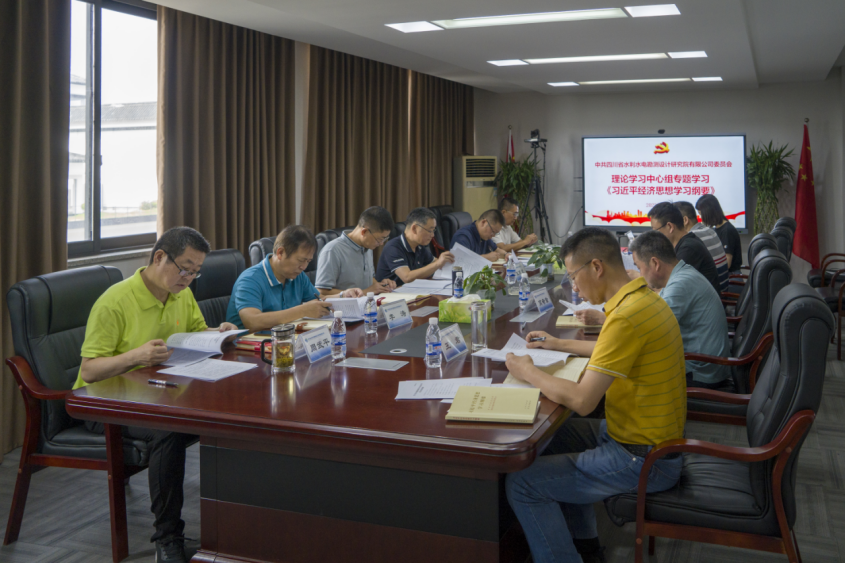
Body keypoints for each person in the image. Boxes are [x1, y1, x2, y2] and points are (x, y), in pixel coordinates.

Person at [504, 227, 685, 563]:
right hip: (645, 439)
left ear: (597, 267)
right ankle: (587, 548)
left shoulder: (626, 317)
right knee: (552, 437)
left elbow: (583, 401)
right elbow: (611, 349)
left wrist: (526, 371)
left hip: (644, 459)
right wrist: (557, 344)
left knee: (522, 484)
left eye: (574, 275)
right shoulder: (641, 300)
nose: (574, 286)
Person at [74, 227, 240, 563]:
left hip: (158, 393)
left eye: (195, 272)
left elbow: (195, 334)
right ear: (159, 257)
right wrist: (136, 356)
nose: (188, 279)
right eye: (185, 269)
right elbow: (89, 371)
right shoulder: (115, 302)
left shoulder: (180, 293)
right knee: (169, 430)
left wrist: (219, 332)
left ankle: (236, 526)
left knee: (228, 417)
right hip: (106, 402)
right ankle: (167, 540)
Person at [630, 231, 731, 388]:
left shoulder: (681, 284)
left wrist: (608, 319)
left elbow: (649, 329)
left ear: (655, 263)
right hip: (704, 364)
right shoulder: (682, 273)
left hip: (701, 373)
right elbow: (658, 302)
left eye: (639, 268)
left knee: (629, 373)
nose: (640, 274)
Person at [227, 225, 360, 331]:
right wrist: (302, 311)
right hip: (246, 349)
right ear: (280, 253)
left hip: (283, 340)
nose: (304, 267)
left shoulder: (297, 276)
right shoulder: (250, 279)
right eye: (301, 260)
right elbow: (252, 322)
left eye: (308, 261)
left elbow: (318, 299)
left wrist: (343, 295)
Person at [315, 206, 398, 297]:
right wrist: (366, 291)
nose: (381, 243)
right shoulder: (332, 250)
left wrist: (381, 286)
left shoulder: (367, 247)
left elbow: (369, 278)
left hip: (368, 303)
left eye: (384, 239)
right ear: (364, 232)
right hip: (345, 305)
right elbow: (321, 292)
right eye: (379, 239)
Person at [648, 202, 721, 296]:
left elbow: (670, 287)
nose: (655, 235)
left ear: (670, 227)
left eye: (655, 230)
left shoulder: (689, 248)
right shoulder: (685, 243)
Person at [375, 207, 455, 286]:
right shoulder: (393, 247)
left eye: (433, 230)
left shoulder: (418, 246)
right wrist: (438, 264)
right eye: (430, 230)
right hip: (391, 292)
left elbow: (435, 262)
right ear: (414, 228)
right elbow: (407, 277)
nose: (432, 235)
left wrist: (448, 261)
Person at [673, 201, 730, 293]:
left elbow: (675, 276)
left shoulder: (691, 239)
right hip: (723, 289)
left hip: (714, 294)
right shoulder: (710, 230)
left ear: (685, 220)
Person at [696, 194, 743, 273]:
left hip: (731, 276)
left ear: (709, 212)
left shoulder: (727, 231)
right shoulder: (716, 229)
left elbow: (727, 264)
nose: (701, 218)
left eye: (701, 214)